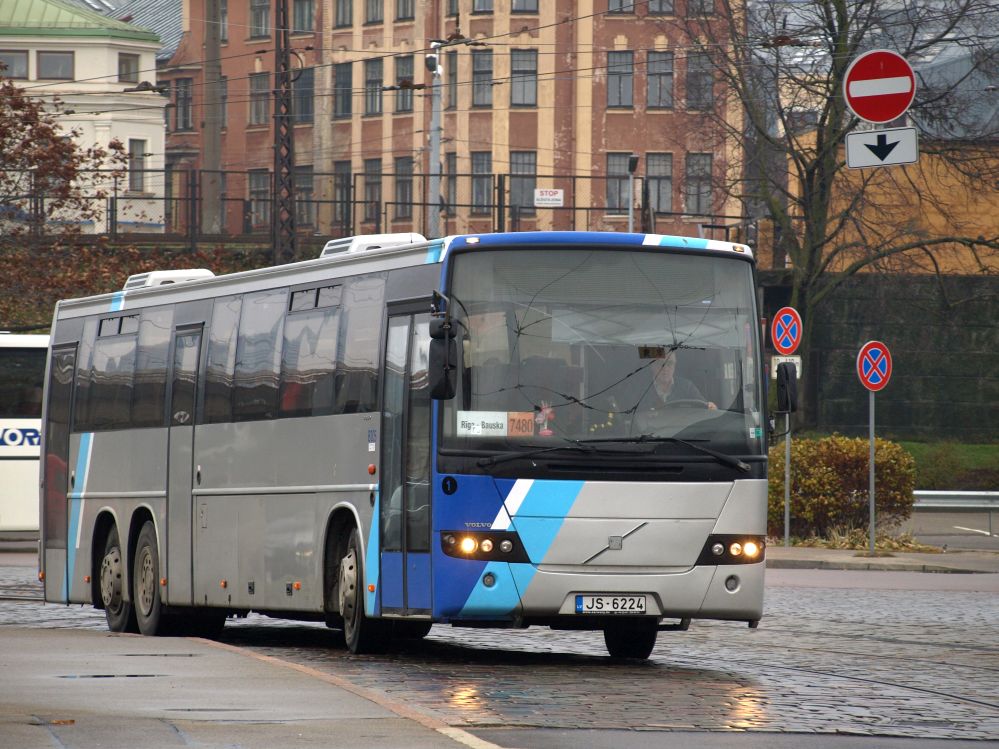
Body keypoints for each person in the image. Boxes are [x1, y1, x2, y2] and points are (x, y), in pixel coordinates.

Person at [641, 351, 716, 411]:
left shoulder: (687, 387)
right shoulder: (640, 389)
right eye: (661, 364)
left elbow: (703, 407)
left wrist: (710, 407)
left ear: (675, 365)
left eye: (670, 363)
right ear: (652, 365)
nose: (665, 368)